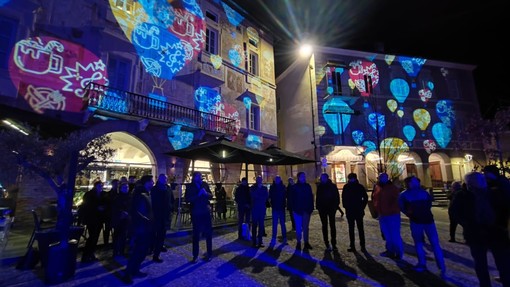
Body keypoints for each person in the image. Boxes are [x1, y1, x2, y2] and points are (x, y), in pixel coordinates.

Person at [452, 170, 510, 287]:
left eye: (483, 179)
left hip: (496, 233)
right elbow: (455, 213)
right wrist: (467, 224)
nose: (483, 181)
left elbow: (505, 203)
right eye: (480, 180)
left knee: (503, 264)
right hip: (476, 234)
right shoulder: (462, 196)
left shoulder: (494, 193)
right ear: (470, 183)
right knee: (481, 264)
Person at [399, 176, 446, 275]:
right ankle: (424, 263)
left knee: (432, 242)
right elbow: (402, 207)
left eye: (416, 182)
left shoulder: (421, 193)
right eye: (414, 182)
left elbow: (403, 207)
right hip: (419, 221)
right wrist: (410, 214)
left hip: (426, 220)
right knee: (420, 243)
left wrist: (410, 213)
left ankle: (439, 263)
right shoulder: (406, 195)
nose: (416, 184)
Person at [122, 175, 154, 284]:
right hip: (140, 228)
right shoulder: (139, 194)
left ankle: (135, 270)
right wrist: (144, 219)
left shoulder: (147, 193)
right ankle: (128, 274)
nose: (153, 182)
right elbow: (135, 211)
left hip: (146, 227)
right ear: (146, 182)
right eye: (151, 181)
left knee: (143, 251)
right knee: (137, 252)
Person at [372, 172, 403, 259]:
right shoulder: (378, 187)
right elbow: (375, 198)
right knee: (387, 234)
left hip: (392, 214)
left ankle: (398, 252)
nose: (381, 179)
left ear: (387, 178)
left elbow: (398, 200)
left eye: (383, 177)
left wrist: (393, 208)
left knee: (394, 234)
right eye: (380, 177)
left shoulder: (392, 188)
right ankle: (390, 250)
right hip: (382, 214)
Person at [185, 171, 213, 263]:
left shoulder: (204, 184)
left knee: (208, 234)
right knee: (196, 235)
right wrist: (198, 195)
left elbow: (211, 196)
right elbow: (188, 199)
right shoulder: (189, 186)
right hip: (196, 212)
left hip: (205, 212)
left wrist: (206, 193)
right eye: (197, 176)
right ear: (193, 177)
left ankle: (209, 254)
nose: (199, 177)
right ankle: (195, 255)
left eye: (200, 176)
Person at [79, 180, 108, 263]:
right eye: (99, 186)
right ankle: (86, 255)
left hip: (99, 218)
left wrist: (103, 208)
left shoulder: (102, 195)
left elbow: (105, 203)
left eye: (101, 186)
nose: (100, 188)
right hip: (91, 218)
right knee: (92, 236)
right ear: (95, 187)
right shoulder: (89, 194)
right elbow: (86, 205)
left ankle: (91, 253)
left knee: (95, 237)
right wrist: (97, 208)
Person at [150, 174, 174, 263]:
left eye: (166, 178)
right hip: (157, 215)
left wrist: (171, 207)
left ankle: (159, 248)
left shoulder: (168, 188)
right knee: (156, 234)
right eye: (163, 178)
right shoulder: (154, 189)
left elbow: (171, 199)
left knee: (162, 233)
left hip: (166, 215)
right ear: (159, 179)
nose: (165, 180)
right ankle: (155, 251)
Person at [342, 172, 368, 252]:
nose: (351, 180)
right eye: (350, 179)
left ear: (355, 178)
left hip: (358, 210)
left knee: (360, 228)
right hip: (350, 211)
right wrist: (346, 206)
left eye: (352, 178)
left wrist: (362, 206)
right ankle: (352, 245)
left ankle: (362, 246)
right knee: (351, 229)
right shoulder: (346, 187)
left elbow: (365, 197)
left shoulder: (360, 187)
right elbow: (343, 198)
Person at [315, 173, 340, 251]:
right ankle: (326, 242)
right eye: (322, 178)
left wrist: (335, 206)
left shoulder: (332, 186)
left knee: (332, 225)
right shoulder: (320, 187)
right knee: (324, 225)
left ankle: (334, 243)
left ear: (327, 178)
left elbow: (337, 196)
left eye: (324, 178)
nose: (322, 179)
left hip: (331, 208)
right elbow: (318, 197)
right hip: (322, 209)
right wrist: (318, 207)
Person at [290, 171, 314, 250]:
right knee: (298, 227)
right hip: (297, 210)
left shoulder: (308, 186)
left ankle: (306, 242)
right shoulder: (295, 187)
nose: (304, 178)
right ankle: (299, 242)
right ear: (299, 178)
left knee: (305, 227)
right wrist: (294, 209)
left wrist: (310, 208)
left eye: (304, 176)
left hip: (306, 210)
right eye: (302, 176)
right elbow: (292, 199)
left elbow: (311, 197)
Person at [111, 182, 131, 258]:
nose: (126, 189)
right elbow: (114, 208)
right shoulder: (117, 197)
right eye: (124, 187)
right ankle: (116, 251)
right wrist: (121, 212)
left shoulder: (129, 196)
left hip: (126, 220)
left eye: (127, 187)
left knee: (124, 236)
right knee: (117, 236)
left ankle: (121, 251)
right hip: (119, 220)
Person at [250, 175, 269, 248]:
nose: (259, 180)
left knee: (261, 226)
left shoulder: (264, 188)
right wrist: (258, 190)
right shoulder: (253, 188)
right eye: (258, 179)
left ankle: (260, 241)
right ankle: (254, 241)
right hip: (255, 209)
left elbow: (266, 197)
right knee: (254, 226)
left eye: (260, 179)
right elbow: (252, 196)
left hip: (261, 209)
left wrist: (259, 194)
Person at [268, 175, 287, 245]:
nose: (277, 180)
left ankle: (284, 237)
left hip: (281, 207)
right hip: (276, 208)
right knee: (275, 224)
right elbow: (270, 196)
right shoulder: (273, 187)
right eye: (276, 179)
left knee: (282, 223)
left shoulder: (282, 187)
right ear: (275, 180)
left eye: (278, 179)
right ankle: (274, 238)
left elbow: (285, 195)